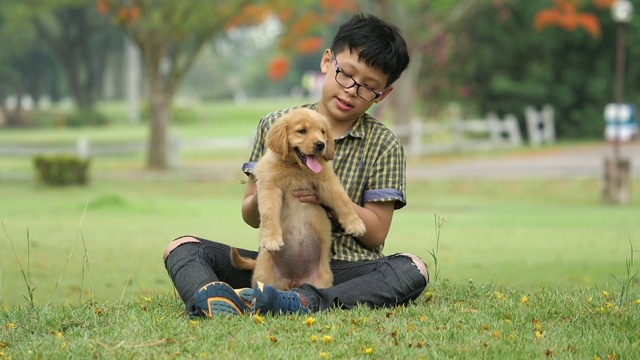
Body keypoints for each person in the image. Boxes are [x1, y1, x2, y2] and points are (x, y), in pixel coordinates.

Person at [163, 13, 429, 318]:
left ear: (384, 94)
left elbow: (376, 234)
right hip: (276, 260)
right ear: (327, 62)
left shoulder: (384, 144)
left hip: (345, 271)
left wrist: (324, 198)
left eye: (368, 87)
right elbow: (250, 215)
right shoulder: (276, 125)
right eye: (346, 74)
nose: (351, 91)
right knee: (183, 247)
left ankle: (300, 301)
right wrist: (269, 185)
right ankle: (211, 298)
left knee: (411, 267)